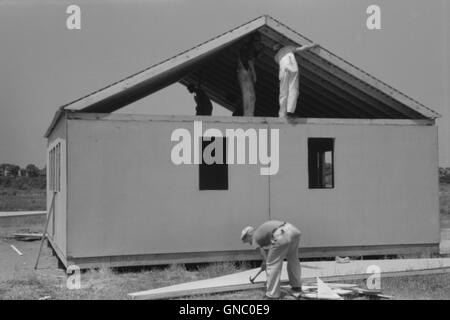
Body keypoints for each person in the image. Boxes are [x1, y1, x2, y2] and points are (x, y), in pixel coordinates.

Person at [241, 220, 302, 299]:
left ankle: (272, 295)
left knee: (272, 264)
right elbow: (273, 246)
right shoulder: (260, 232)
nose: (249, 243)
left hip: (281, 233)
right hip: (293, 230)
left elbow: (263, 253)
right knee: (293, 259)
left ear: (249, 235)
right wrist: (265, 261)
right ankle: (296, 286)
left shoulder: (254, 238)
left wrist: (265, 263)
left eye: (246, 240)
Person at [273, 43, 319, 118]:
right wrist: (313, 45)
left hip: (283, 72)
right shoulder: (288, 47)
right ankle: (290, 112)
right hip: (293, 69)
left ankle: (281, 115)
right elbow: (302, 48)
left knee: (283, 93)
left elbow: (282, 60)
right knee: (293, 90)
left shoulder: (276, 57)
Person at [237, 34, 264, 116]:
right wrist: (254, 75)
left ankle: (248, 114)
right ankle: (248, 115)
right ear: (255, 41)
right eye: (258, 42)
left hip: (242, 72)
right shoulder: (251, 47)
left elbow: (254, 57)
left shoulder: (247, 47)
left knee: (249, 95)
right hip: (244, 72)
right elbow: (250, 61)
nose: (258, 44)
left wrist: (262, 50)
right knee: (250, 96)